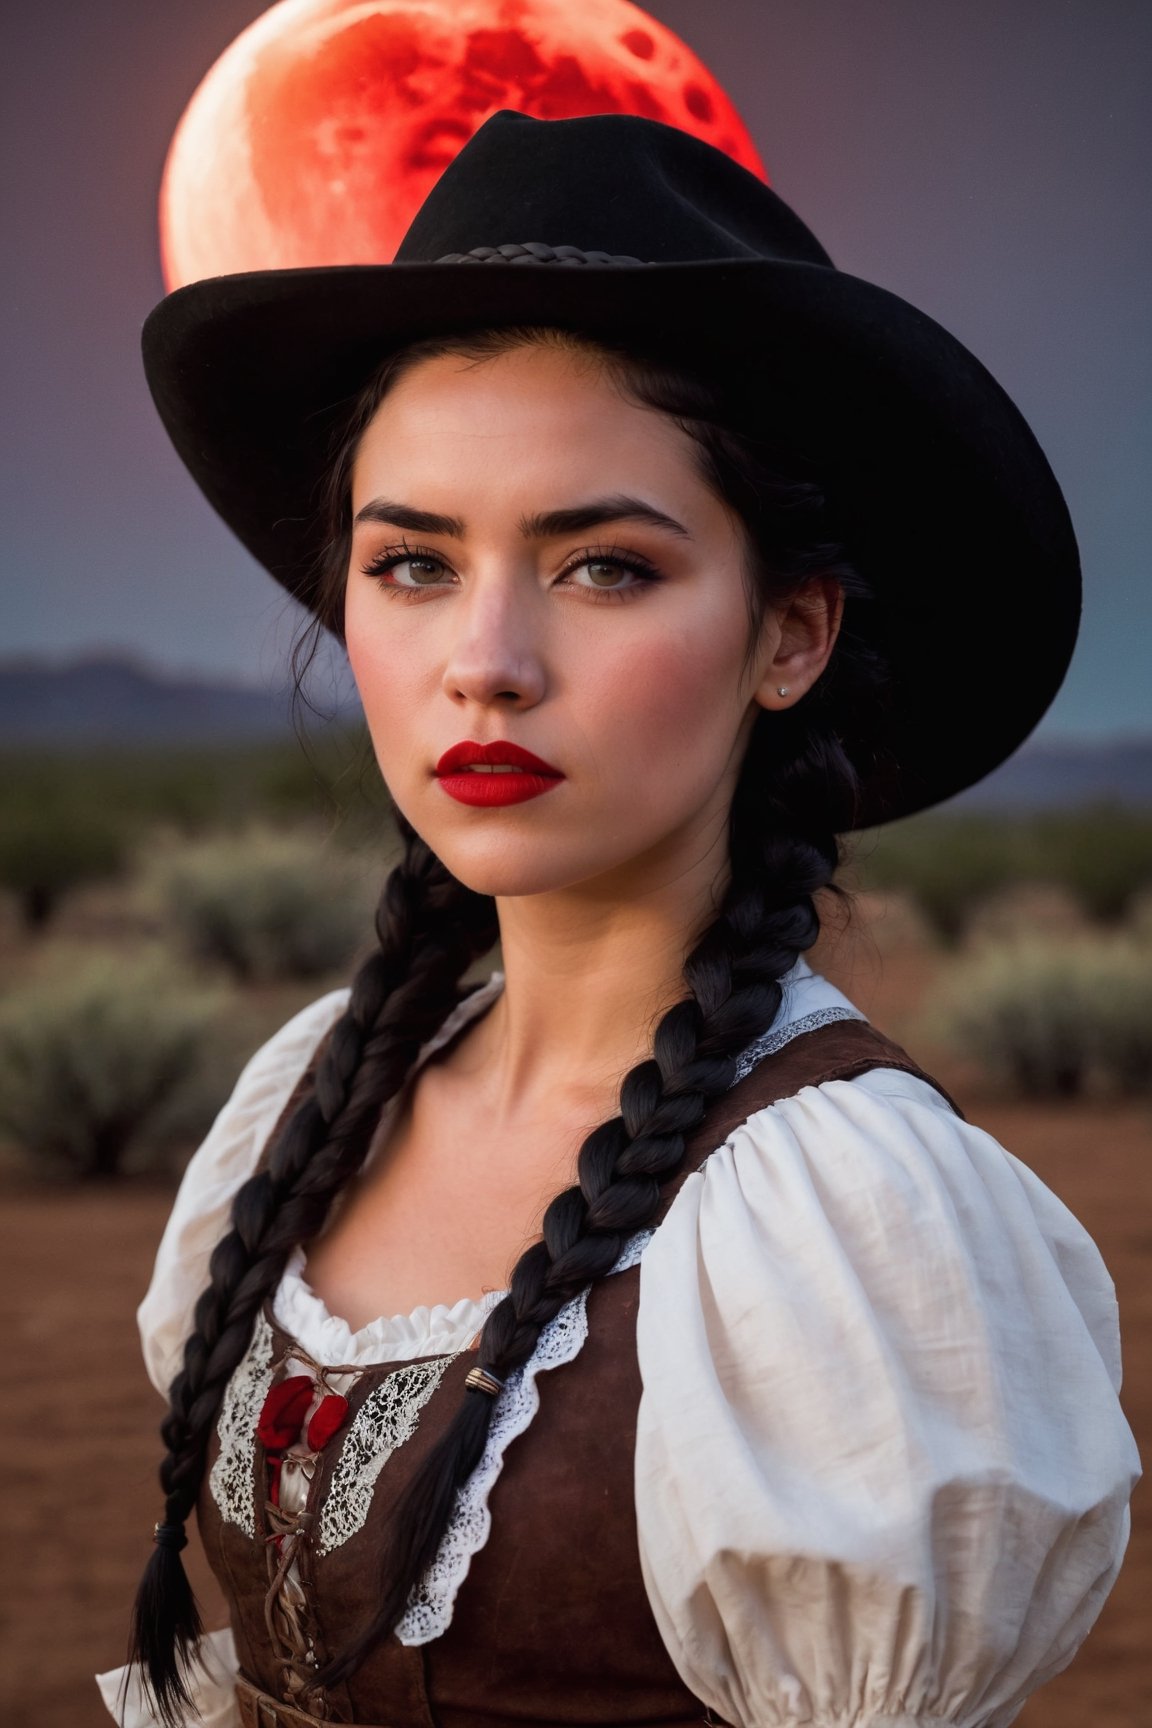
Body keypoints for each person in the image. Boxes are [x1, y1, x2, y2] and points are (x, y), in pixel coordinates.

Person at [97, 110, 1139, 1728]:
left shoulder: (845, 1218)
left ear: (788, 635)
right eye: (414, 564)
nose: (488, 659)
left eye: (602, 568)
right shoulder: (309, 1101)